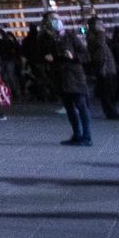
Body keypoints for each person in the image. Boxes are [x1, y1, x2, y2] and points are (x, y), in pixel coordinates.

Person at [41, 14, 93, 146]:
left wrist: (73, 56)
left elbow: (86, 55)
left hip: (74, 77)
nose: (56, 22)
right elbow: (40, 55)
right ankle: (76, 134)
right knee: (69, 108)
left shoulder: (70, 36)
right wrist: (46, 58)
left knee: (81, 106)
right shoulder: (46, 39)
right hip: (60, 77)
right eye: (52, 20)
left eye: (57, 19)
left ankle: (87, 137)